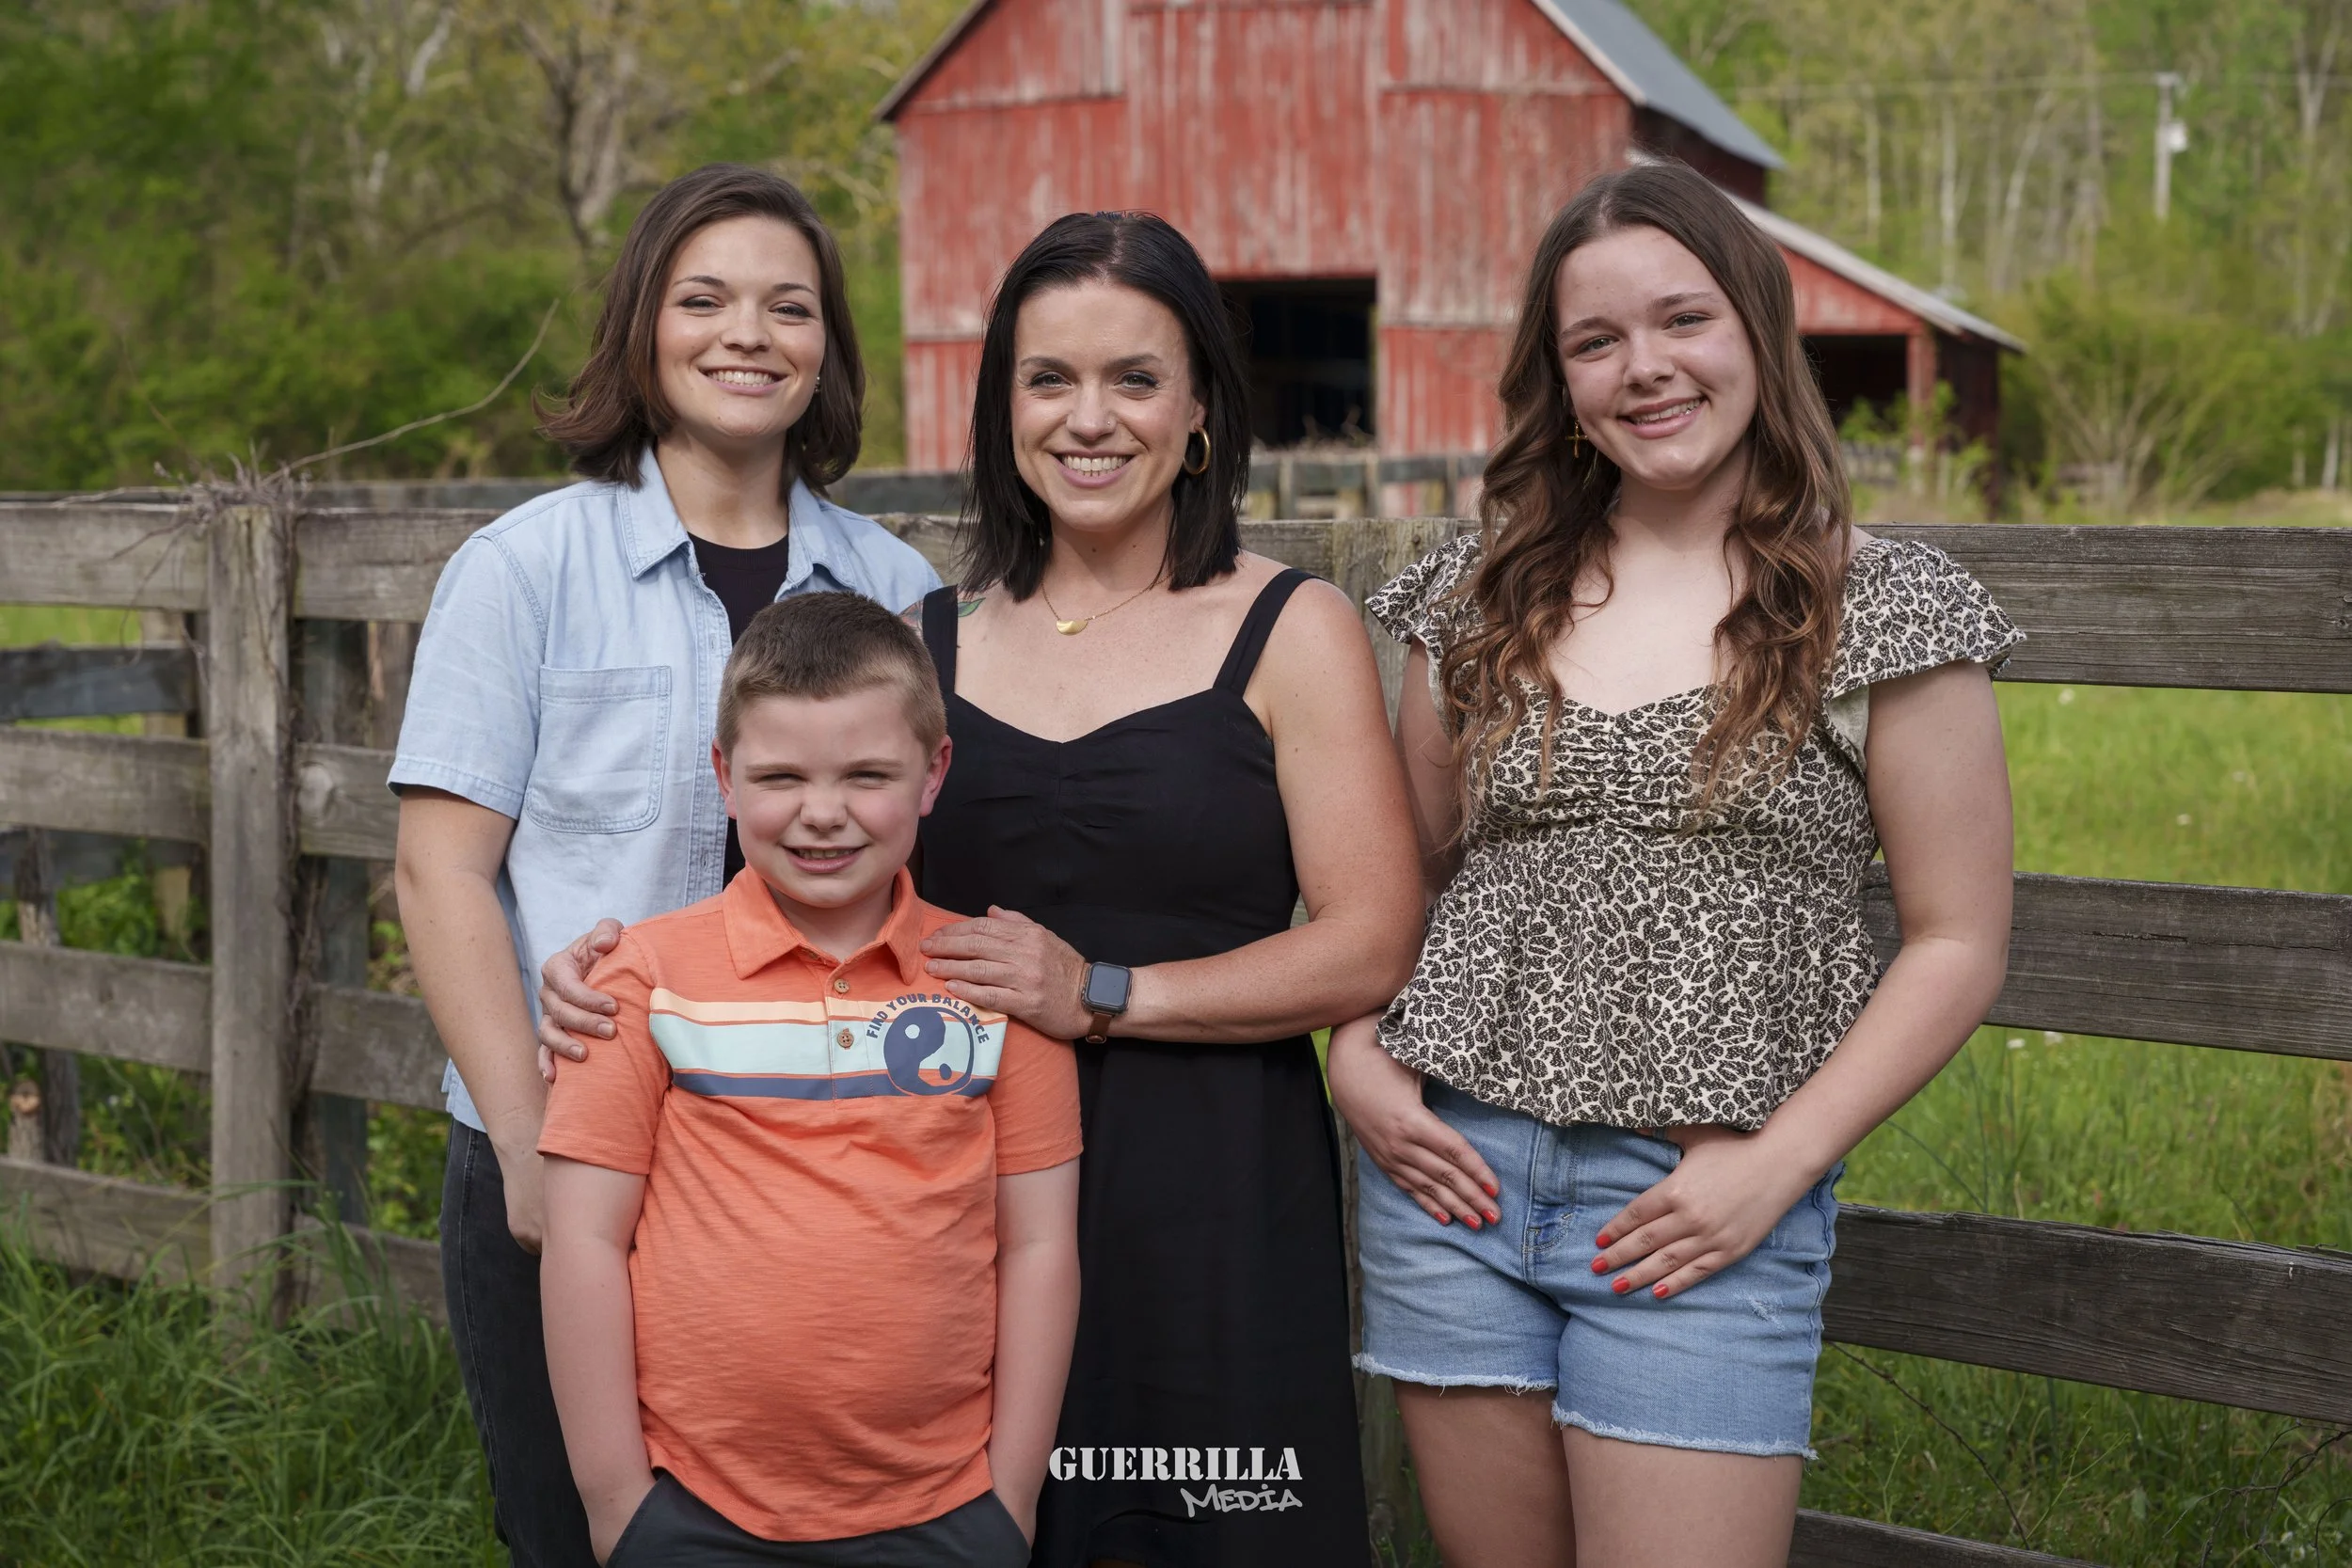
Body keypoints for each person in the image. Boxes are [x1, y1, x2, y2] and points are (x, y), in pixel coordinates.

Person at [539, 210, 1424, 1568]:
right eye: (1048, 378)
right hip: (943, 1209)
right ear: (1000, 405)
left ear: (1199, 413)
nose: (1090, 418)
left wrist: (1108, 992)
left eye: (1136, 378)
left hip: (1211, 1183)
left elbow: (1371, 939)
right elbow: (777, 907)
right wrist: (592, 977)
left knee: (1215, 1527)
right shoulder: (922, 639)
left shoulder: (1286, 627)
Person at [1327, 160, 2018, 1568]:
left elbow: (1956, 940)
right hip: (1450, 1169)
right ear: (1559, 376)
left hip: (1702, 1198)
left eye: (1682, 319)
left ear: (1758, 327)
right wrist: (1356, 1055)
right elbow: (1402, 888)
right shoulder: (1474, 596)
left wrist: (1779, 1165)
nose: (1645, 368)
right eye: (1596, 341)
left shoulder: (1874, 603)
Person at [391, 164, 940, 1565]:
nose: (745, 333)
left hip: (813, 1153)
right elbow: (442, 872)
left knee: (807, 1528)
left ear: (826, 350)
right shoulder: (522, 569)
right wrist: (525, 1138)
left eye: (788, 306)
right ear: (644, 327)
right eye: (704, 299)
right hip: (562, 1138)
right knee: (581, 1529)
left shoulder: (897, 588)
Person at [538, 594, 1081, 1566]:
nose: (821, 812)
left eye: (868, 774)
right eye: (779, 775)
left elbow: (1038, 1243)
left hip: (948, 1508)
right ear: (725, 776)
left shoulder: (997, 986)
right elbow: (582, 1238)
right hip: (693, 1511)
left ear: (932, 772)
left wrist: (1012, 1496)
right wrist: (618, 1502)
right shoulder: (641, 980)